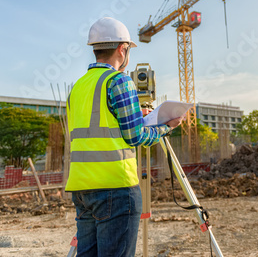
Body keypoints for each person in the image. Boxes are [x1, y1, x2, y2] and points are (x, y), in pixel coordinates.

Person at [65, 17, 182, 256]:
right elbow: (135, 136)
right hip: (116, 188)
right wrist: (166, 127)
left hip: (82, 188)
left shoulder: (78, 86)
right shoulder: (119, 80)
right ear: (122, 49)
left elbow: (95, 127)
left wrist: (134, 114)